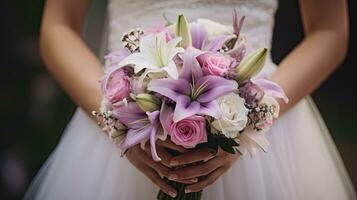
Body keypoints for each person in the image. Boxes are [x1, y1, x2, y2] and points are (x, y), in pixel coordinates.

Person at [25, 0, 356, 199]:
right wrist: (118, 123)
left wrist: (254, 119)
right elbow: (59, 26)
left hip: (260, 128)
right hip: (125, 123)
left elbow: (329, 31)